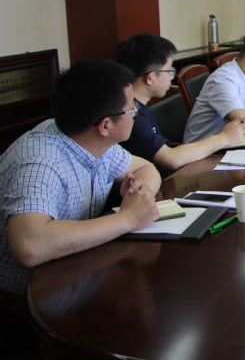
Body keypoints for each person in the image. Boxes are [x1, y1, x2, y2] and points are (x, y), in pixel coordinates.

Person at [0, 59, 161, 298]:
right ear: (105, 125)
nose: (136, 113)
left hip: (77, 269)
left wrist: (140, 193)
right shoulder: (39, 162)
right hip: (32, 296)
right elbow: (29, 247)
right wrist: (129, 218)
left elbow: (145, 168)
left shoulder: (92, 140)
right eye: (131, 108)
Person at [116, 33, 245, 173]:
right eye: (170, 71)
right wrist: (224, 138)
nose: (171, 77)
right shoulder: (130, 116)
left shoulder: (140, 107)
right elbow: (171, 159)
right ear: (150, 78)